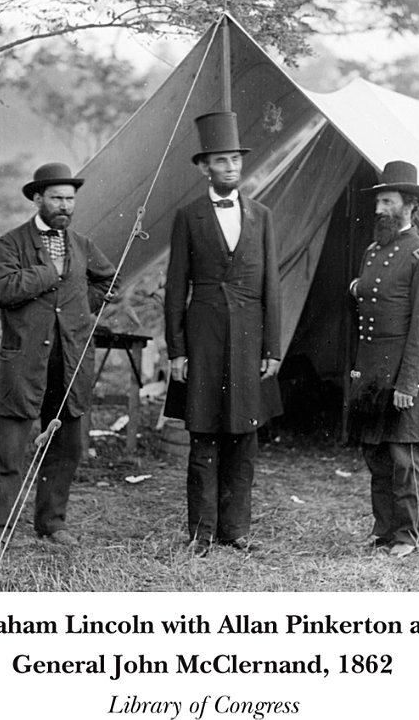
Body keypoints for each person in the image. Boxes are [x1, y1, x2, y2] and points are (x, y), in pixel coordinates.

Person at [0, 162, 117, 559]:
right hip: (23, 363)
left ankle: (51, 523)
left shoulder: (82, 244)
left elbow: (109, 280)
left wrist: (80, 310)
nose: (64, 206)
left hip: (70, 361)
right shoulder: (12, 243)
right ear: (37, 198)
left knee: (66, 447)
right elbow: (3, 290)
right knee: (10, 452)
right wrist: (48, 273)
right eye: (56, 198)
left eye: (70, 199)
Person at [164, 111, 282, 557]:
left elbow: (272, 285)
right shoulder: (188, 217)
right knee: (204, 434)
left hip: (250, 340)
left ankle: (237, 529)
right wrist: (177, 350)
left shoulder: (263, 216)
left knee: (244, 437)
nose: (232, 167)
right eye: (222, 160)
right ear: (204, 168)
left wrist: (272, 347)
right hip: (204, 338)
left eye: (235, 159)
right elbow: (176, 288)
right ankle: (201, 532)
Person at [348, 160, 419, 559]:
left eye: (387, 201)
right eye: (378, 202)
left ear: (410, 207)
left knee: (403, 456)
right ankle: (384, 529)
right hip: (370, 369)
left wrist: (408, 382)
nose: (378, 209)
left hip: (401, 369)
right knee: (375, 453)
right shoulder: (373, 251)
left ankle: (408, 535)